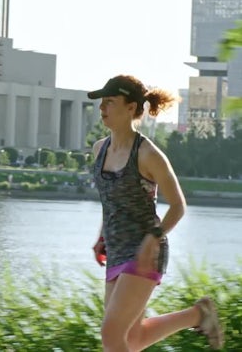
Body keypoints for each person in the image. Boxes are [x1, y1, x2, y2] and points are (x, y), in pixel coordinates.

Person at [88, 75, 224, 351]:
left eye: (110, 102)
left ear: (130, 108)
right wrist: (102, 236)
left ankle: (199, 314)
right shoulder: (99, 149)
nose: (103, 108)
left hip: (145, 252)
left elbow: (178, 205)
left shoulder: (148, 154)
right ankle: (198, 315)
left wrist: (152, 239)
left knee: (111, 335)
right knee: (132, 338)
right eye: (102, 103)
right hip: (116, 250)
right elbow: (112, 200)